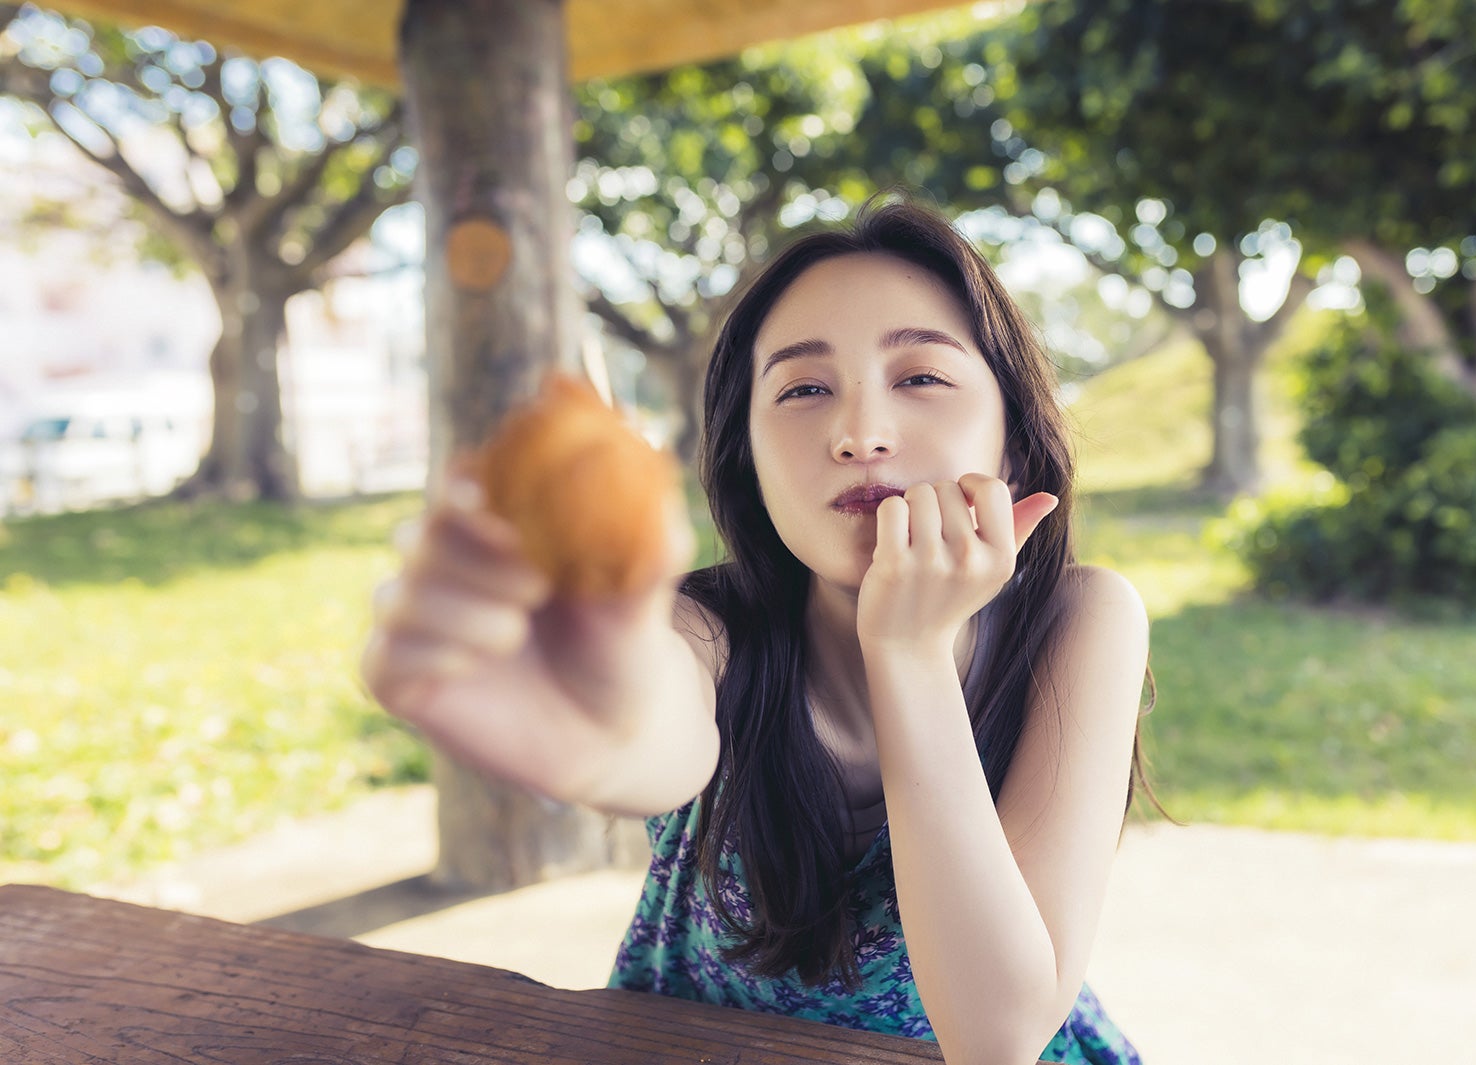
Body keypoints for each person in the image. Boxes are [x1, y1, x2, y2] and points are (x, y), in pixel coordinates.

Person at [361, 197, 1153, 1065]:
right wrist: (587, 728)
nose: (859, 433)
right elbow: (642, 727)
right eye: (803, 389)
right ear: (748, 460)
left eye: (920, 377)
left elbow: (997, 1032)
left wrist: (908, 649)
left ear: (1012, 438)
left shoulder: (1082, 620)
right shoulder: (702, 626)